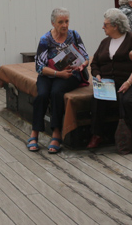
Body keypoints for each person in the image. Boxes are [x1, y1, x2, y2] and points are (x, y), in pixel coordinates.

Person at [87, 8, 132, 154]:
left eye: (105, 24)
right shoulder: (105, 42)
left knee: (127, 100)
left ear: (115, 25)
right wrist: (97, 76)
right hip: (109, 82)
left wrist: (128, 82)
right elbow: (94, 63)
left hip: (131, 79)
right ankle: (97, 135)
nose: (103, 27)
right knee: (97, 99)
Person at [29, 8, 89, 154]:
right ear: (53, 23)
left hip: (70, 74)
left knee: (56, 92)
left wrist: (82, 64)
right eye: (60, 22)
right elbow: (39, 67)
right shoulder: (45, 39)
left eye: (66, 21)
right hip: (50, 74)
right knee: (42, 94)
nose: (64, 25)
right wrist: (58, 73)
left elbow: (86, 57)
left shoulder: (74, 35)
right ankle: (35, 132)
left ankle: (56, 132)